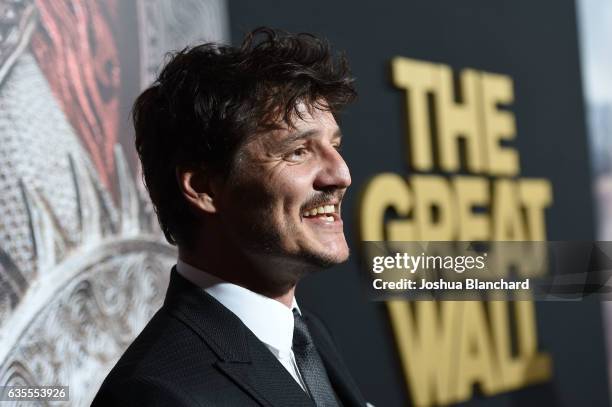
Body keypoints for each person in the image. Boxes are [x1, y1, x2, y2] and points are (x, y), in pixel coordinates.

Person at [92, 27, 367, 406]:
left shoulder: (307, 335)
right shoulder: (156, 394)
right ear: (203, 188)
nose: (341, 174)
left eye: (333, 145)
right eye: (298, 151)